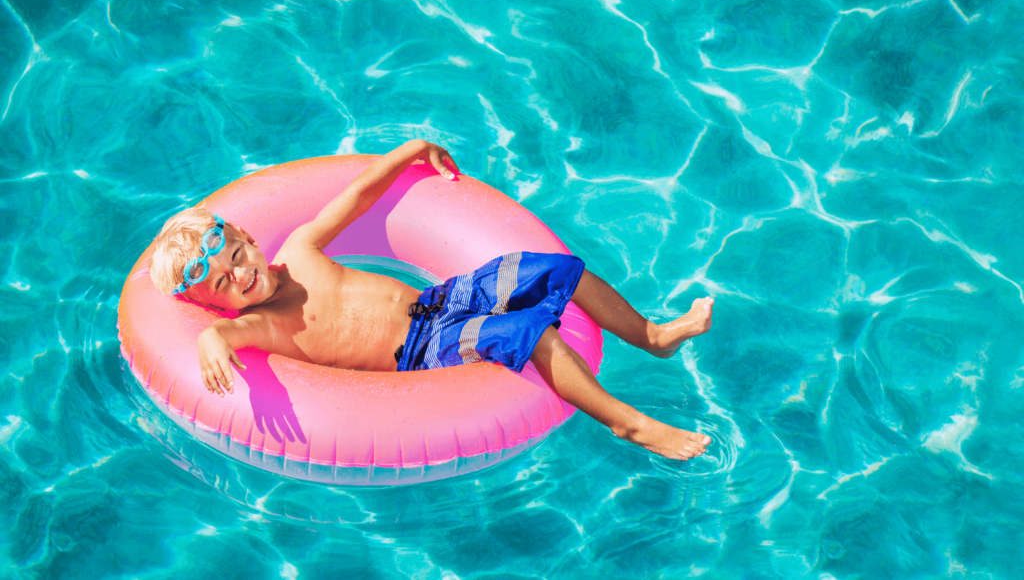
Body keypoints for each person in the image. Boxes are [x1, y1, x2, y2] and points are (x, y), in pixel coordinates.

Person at [149, 139, 714, 461]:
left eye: (235, 259)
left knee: (555, 270)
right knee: (533, 335)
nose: (239, 276)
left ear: (247, 238)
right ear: (219, 305)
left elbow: (353, 198)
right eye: (222, 284)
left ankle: (652, 336)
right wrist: (208, 339)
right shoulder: (264, 325)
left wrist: (410, 152)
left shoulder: (298, 252)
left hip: (441, 301)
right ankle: (629, 424)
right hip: (420, 350)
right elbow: (223, 336)